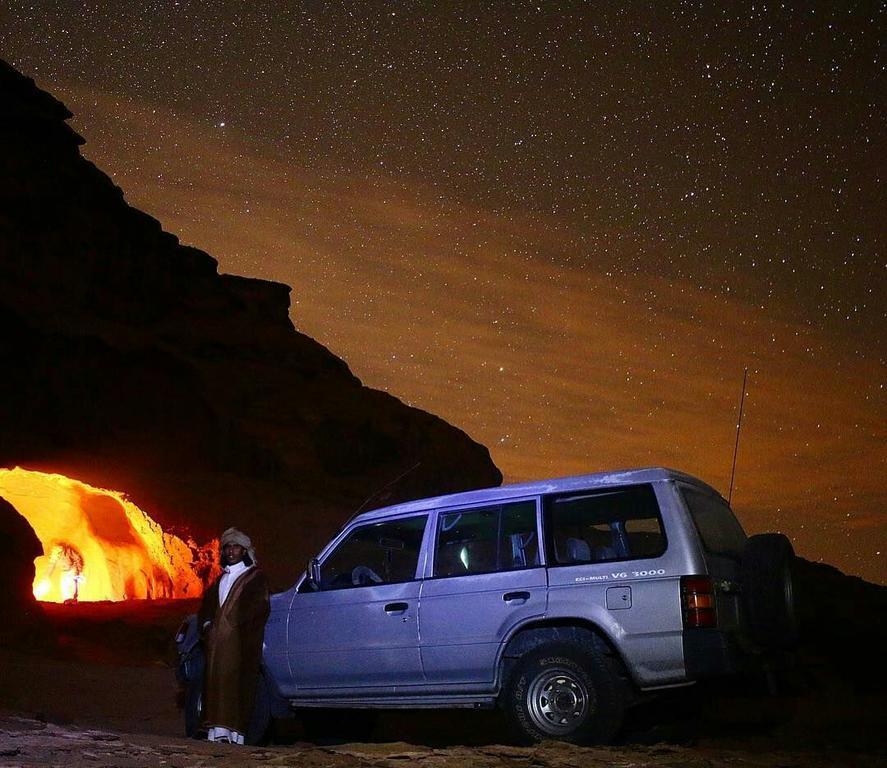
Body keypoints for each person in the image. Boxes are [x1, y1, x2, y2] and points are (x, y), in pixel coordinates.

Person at [197, 527, 270, 745]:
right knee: (215, 684)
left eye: (236, 546)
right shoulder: (220, 580)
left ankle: (233, 735)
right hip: (217, 645)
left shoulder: (255, 578)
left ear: (244, 550)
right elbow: (207, 608)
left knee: (236, 685)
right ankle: (216, 732)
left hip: (240, 644)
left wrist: (233, 625)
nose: (231, 551)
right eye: (227, 547)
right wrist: (209, 625)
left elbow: (259, 607)